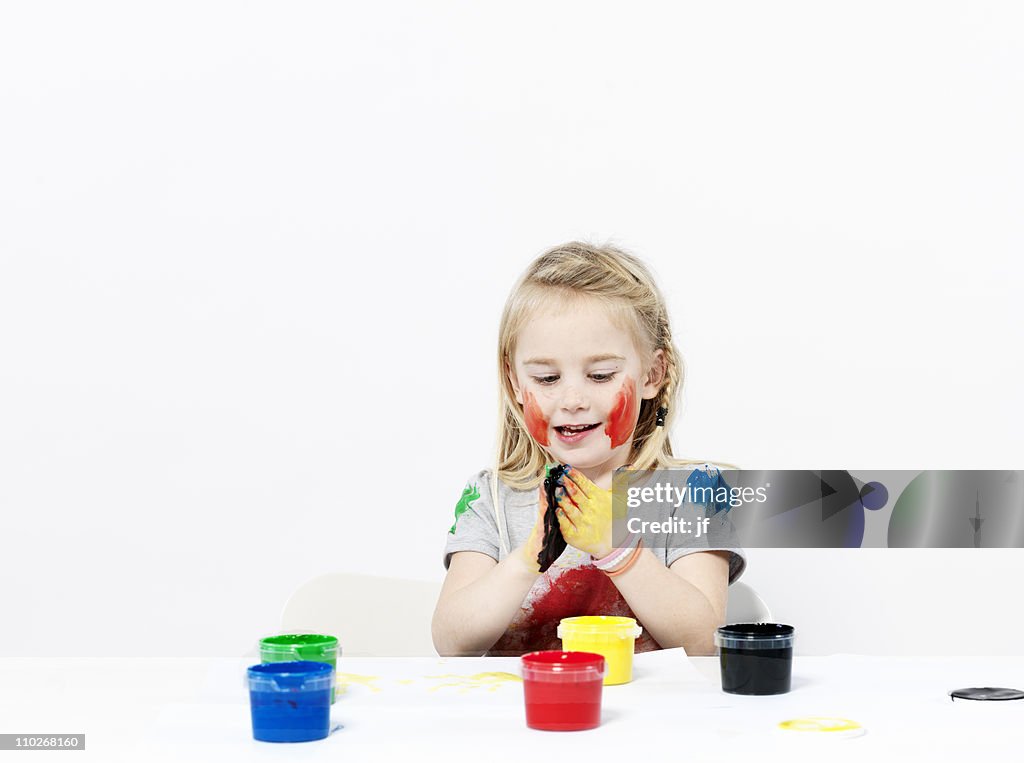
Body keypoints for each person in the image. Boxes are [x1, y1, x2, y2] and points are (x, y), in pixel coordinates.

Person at [431, 241, 746, 657]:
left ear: (653, 374)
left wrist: (619, 548)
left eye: (600, 375)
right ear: (514, 384)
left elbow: (705, 645)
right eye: (546, 378)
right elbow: (451, 643)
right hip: (522, 720)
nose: (572, 398)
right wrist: (530, 557)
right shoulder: (491, 497)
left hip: (654, 721)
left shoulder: (699, 493)